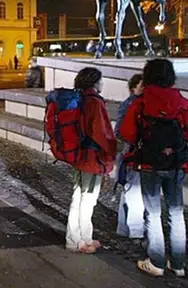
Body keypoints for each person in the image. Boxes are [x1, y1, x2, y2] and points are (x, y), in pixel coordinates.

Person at [118, 59, 188, 278]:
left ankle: (156, 262)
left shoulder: (141, 102)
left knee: (153, 213)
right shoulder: (182, 101)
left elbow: (128, 133)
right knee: (176, 211)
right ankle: (178, 264)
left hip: (149, 163)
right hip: (176, 163)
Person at [63, 67, 117, 254]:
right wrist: (110, 155)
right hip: (92, 158)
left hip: (79, 155)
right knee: (87, 199)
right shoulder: (94, 102)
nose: (103, 83)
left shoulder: (78, 99)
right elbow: (102, 132)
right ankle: (81, 240)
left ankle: (77, 238)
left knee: (78, 196)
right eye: (101, 80)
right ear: (95, 82)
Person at [115, 73, 145, 241]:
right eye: (141, 86)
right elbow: (119, 131)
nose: (144, 89)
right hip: (132, 154)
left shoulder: (135, 103)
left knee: (128, 191)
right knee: (134, 192)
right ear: (133, 88)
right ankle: (136, 232)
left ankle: (123, 228)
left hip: (129, 153)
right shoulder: (130, 104)